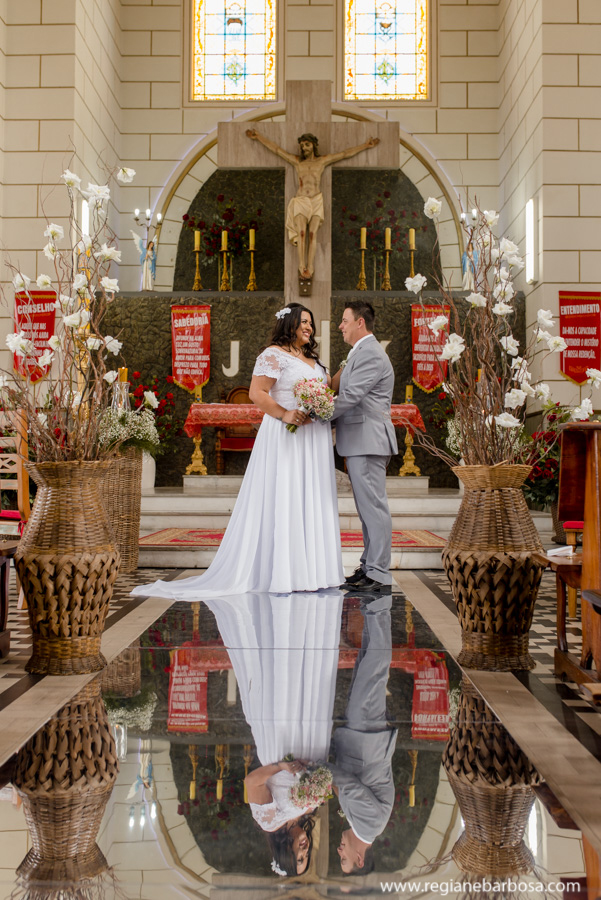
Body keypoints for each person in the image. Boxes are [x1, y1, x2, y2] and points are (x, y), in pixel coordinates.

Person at [131, 303, 344, 598]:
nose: (309, 327)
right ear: (289, 325)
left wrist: (346, 369)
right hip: (287, 435)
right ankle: (284, 571)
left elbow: (327, 390)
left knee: (310, 497)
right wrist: (285, 414)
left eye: (310, 323)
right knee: (287, 496)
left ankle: (314, 570)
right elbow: (257, 393)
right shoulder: (272, 355)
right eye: (303, 322)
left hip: (313, 438)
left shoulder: (314, 360)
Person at [203, 590, 344, 876]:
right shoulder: (305, 816)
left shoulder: (271, 822)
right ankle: (310, 619)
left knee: (286, 684)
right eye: (308, 857)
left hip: (282, 743)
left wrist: (282, 766)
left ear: (286, 856)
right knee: (311, 682)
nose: (305, 850)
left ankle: (281, 619)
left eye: (299, 858)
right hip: (312, 739)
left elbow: (252, 782)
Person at [246, 128, 380, 280]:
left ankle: (311, 266)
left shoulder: (321, 161)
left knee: (312, 234)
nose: (304, 148)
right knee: (302, 233)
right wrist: (259, 137)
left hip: (316, 200)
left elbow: (344, 154)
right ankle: (301, 265)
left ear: (314, 145)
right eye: (302, 145)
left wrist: (365, 146)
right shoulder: (297, 162)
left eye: (307, 144)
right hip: (301, 199)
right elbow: (277, 150)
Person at [331, 300, 398, 593]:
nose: (340, 326)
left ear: (360, 322)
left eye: (344, 320)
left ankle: (380, 573)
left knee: (374, 507)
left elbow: (351, 396)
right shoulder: (359, 352)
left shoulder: (370, 353)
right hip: (361, 439)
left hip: (368, 439)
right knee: (366, 509)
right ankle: (369, 566)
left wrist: (316, 415)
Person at [329, 594, 397, 875]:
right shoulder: (370, 826)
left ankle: (373, 603)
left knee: (367, 661)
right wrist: (314, 770)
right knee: (375, 665)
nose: (339, 851)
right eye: (343, 858)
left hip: (360, 736)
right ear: (360, 859)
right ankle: (379, 599)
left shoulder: (361, 824)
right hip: (366, 735)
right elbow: (348, 784)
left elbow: (345, 787)